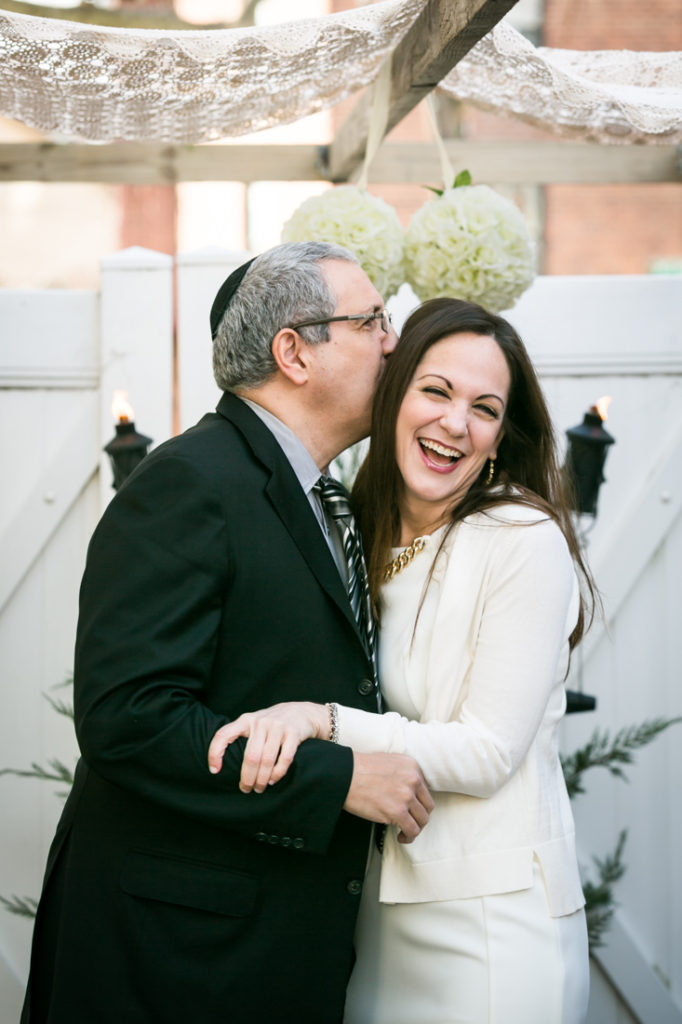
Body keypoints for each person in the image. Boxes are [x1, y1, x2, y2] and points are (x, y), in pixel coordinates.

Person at [20, 241, 435, 1024]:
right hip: (174, 961)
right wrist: (337, 780)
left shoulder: (323, 497)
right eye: (374, 320)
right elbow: (128, 718)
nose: (393, 340)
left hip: (264, 951)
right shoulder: (188, 482)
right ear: (294, 353)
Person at [208, 297, 598, 1024]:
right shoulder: (360, 534)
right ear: (394, 398)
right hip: (375, 915)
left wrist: (323, 723)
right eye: (436, 390)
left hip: (492, 926)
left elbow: (487, 751)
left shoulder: (521, 539)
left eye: (484, 408)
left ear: (499, 438)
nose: (455, 423)